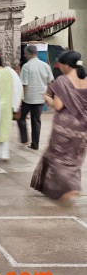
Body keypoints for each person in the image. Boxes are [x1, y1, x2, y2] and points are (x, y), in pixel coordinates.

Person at [31, 51, 87, 205]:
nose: (59, 67)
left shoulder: (62, 81)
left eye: (60, 65)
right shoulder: (86, 80)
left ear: (67, 65)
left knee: (58, 159)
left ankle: (71, 187)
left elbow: (58, 105)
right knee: (74, 160)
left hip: (64, 128)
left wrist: (47, 97)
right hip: (82, 129)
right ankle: (72, 186)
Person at [17, 45, 54, 150]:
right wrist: (47, 95)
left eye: (26, 54)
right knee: (36, 120)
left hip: (28, 98)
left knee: (21, 118)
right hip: (40, 98)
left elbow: (24, 84)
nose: (25, 55)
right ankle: (35, 144)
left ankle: (24, 139)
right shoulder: (45, 65)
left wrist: (20, 99)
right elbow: (50, 82)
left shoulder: (26, 66)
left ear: (28, 54)